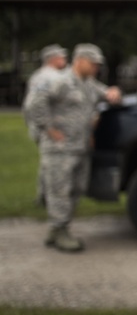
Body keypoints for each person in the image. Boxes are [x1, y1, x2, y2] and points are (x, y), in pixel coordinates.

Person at [24, 43, 122, 252]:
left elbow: (107, 94)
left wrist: (113, 92)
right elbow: (35, 103)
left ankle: (58, 228)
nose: (97, 67)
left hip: (80, 147)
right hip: (60, 148)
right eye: (93, 63)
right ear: (80, 61)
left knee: (77, 188)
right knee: (60, 190)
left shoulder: (89, 83)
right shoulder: (60, 81)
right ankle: (60, 230)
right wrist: (48, 128)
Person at [22, 43, 69, 204]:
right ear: (53, 59)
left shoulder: (38, 75)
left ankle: (44, 196)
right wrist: (46, 126)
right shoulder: (50, 77)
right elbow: (34, 104)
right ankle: (46, 197)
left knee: (47, 161)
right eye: (62, 56)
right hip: (48, 126)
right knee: (51, 162)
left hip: (40, 124)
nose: (65, 59)